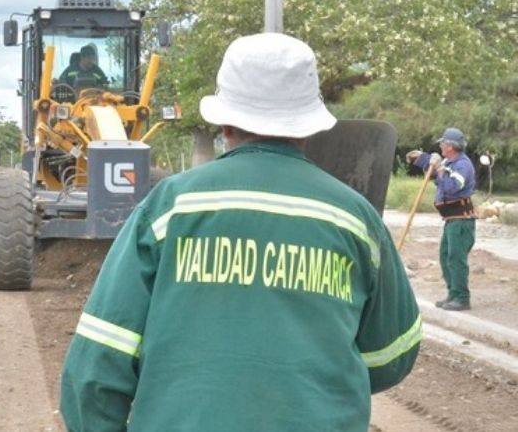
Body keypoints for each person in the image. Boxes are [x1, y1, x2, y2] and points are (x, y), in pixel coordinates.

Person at [60, 33, 421, 431]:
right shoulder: (355, 218)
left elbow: (95, 366)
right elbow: (391, 355)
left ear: (224, 121)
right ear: (307, 126)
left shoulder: (170, 208)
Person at [406, 128, 476, 311]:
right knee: (445, 257)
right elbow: (435, 170)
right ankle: (452, 294)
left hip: (461, 221)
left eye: (443, 143)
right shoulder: (448, 162)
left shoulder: (462, 165)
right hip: (451, 220)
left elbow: (453, 187)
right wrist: (422, 158)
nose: (440, 146)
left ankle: (462, 298)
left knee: (456, 258)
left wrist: (440, 169)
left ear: (451, 146)